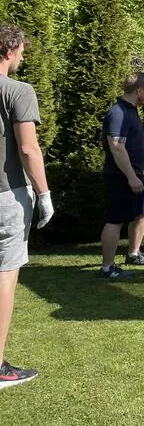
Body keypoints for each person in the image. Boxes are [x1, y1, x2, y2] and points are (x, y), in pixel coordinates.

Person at [0, 24, 54, 388]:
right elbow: (28, 149)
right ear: (10, 50)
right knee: (5, 274)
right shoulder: (18, 90)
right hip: (7, 196)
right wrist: (44, 194)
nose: (22, 58)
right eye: (21, 52)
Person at [99, 72, 144, 278]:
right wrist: (131, 177)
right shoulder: (118, 112)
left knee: (143, 211)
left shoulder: (131, 110)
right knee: (116, 219)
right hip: (121, 175)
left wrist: (136, 175)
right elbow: (116, 147)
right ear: (139, 90)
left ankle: (133, 253)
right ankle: (107, 268)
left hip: (137, 173)